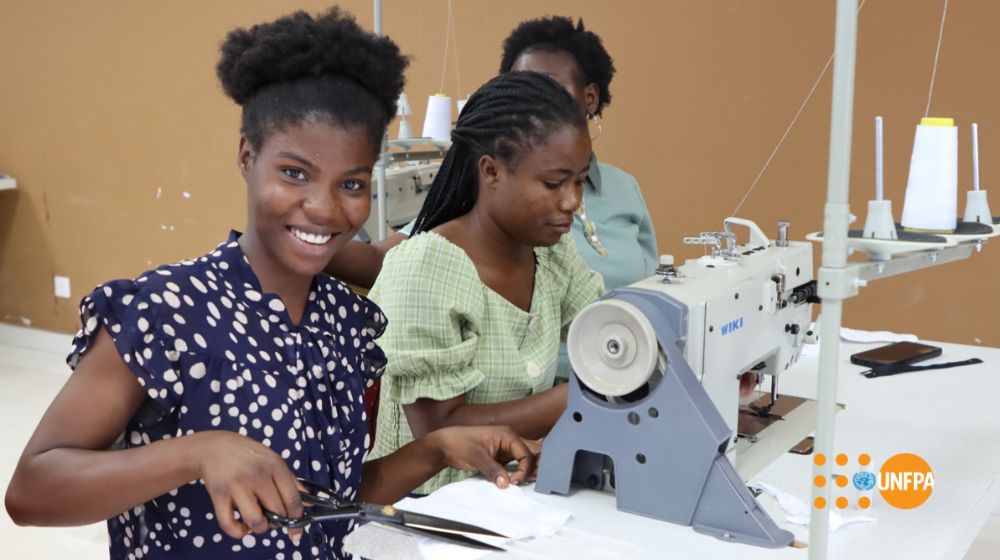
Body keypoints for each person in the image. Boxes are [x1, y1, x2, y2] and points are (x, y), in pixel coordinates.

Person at [4, 9, 538, 560]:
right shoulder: (167, 312)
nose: (325, 208)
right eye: (294, 173)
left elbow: (325, 503)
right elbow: (31, 491)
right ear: (247, 157)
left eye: (351, 183)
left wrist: (435, 450)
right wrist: (197, 453)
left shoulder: (343, 322)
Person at [367, 71, 605, 494]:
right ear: (491, 171)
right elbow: (439, 427)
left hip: (513, 500)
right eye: (553, 183)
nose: (572, 201)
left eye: (580, 181)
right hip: (428, 513)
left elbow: (607, 331)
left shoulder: (551, 255)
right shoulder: (426, 267)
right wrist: (588, 393)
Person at [324, 16, 657, 299]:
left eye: (578, 181)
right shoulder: (489, 194)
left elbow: (655, 293)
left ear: (590, 97)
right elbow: (387, 258)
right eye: (518, 87)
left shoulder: (623, 190)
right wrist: (299, 239)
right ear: (492, 172)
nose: (531, 102)